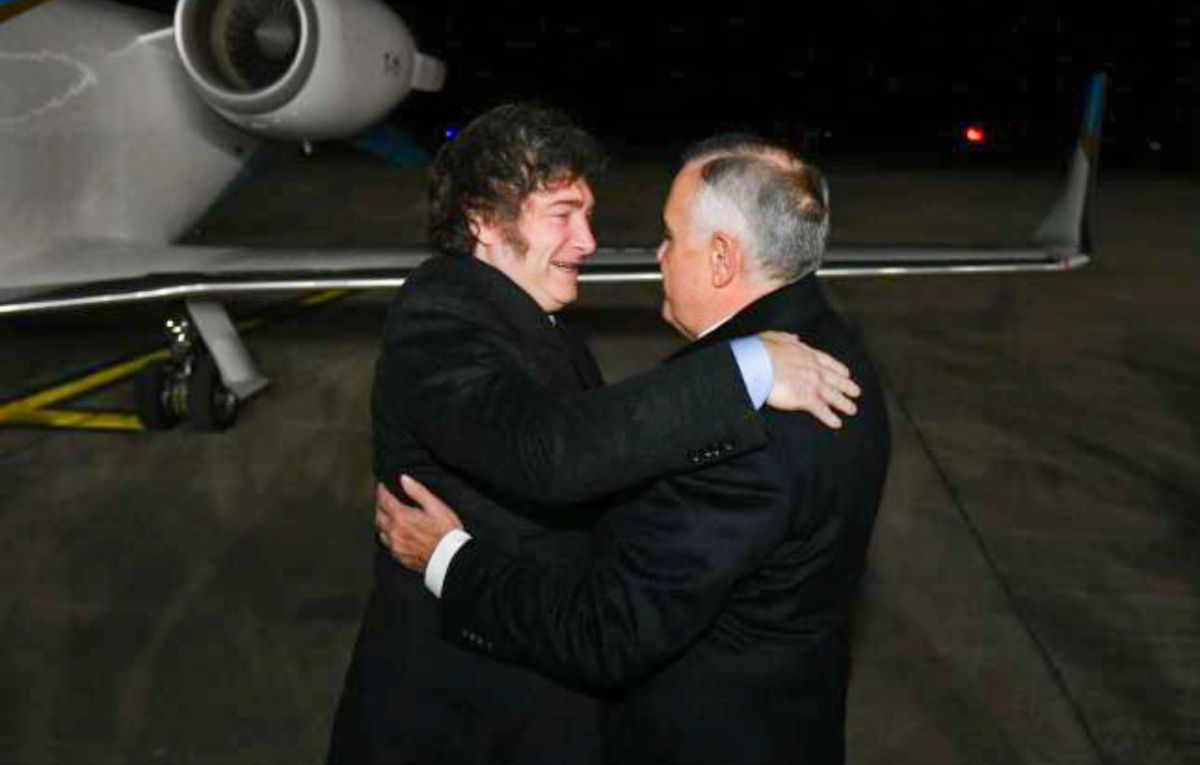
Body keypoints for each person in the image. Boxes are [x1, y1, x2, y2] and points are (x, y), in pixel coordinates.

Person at [327, 107, 861, 765]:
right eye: (563, 213)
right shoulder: (437, 320)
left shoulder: (536, 320)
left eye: (587, 214)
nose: (587, 240)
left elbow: (606, 461)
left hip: (541, 692)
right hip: (456, 717)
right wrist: (745, 370)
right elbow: (550, 453)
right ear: (483, 220)